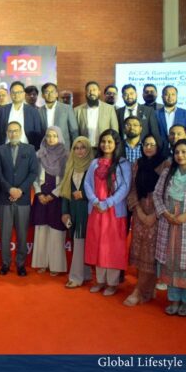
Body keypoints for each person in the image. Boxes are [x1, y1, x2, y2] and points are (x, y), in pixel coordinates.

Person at [153, 139, 186, 317]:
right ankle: (173, 299)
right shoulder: (168, 172)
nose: (180, 155)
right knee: (171, 261)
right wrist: (165, 213)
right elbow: (157, 195)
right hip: (169, 222)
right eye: (177, 152)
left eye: (184, 152)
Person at [84, 129, 131, 296]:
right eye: (103, 141)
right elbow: (87, 184)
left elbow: (125, 187)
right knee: (97, 245)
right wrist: (95, 201)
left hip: (113, 212)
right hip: (96, 210)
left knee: (112, 247)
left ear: (116, 144)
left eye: (110, 142)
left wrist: (108, 202)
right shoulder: (94, 162)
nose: (106, 145)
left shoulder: (123, 163)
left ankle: (112, 283)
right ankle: (100, 280)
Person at [123, 134, 165, 306]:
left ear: (158, 146)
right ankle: (147, 288)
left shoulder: (165, 165)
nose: (148, 147)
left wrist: (154, 214)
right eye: (146, 144)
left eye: (152, 144)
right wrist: (138, 211)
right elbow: (132, 188)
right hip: (140, 213)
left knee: (150, 252)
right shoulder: (137, 164)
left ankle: (139, 290)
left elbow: (167, 192)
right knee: (140, 250)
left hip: (158, 215)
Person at [0, 122, 38, 276]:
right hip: (5, 198)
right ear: (7, 133)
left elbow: (33, 173)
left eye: (16, 131)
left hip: (23, 198)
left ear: (21, 132)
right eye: (10, 131)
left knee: (22, 234)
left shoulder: (30, 149)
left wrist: (20, 190)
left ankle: (21, 265)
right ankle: (5, 264)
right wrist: (10, 189)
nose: (13, 134)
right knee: (5, 234)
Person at [31, 126, 68, 275]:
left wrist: (53, 195)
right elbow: (34, 175)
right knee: (41, 230)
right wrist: (39, 193)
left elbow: (66, 178)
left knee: (55, 232)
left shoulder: (66, 155)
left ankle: (56, 266)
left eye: (54, 136)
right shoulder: (39, 154)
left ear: (59, 137)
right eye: (48, 136)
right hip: (41, 196)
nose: (51, 139)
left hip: (56, 197)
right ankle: (42, 263)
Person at [61, 136, 94, 288]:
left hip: (88, 211)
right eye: (76, 148)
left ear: (88, 150)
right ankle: (85, 273)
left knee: (81, 242)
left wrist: (84, 195)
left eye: (83, 148)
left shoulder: (93, 167)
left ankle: (75, 277)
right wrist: (64, 212)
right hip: (73, 211)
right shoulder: (70, 166)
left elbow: (100, 191)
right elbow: (66, 192)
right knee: (78, 242)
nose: (79, 151)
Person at [0, 81, 43, 150]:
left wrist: (35, 151)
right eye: (13, 92)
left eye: (19, 92)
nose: (16, 94)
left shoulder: (33, 111)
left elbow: (38, 134)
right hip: (6, 150)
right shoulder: (2, 110)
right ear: (10, 94)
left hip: (27, 150)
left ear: (24, 94)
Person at [74, 81, 119, 150]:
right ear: (85, 93)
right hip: (85, 150)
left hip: (104, 150)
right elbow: (75, 133)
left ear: (99, 92)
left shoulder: (109, 109)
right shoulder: (77, 110)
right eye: (89, 90)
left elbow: (114, 131)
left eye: (94, 90)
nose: (91, 92)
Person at [156, 86, 186, 157]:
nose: (170, 97)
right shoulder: (155, 114)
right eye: (167, 94)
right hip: (160, 153)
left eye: (173, 94)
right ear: (162, 97)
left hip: (181, 154)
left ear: (177, 96)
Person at [37, 83, 79, 150]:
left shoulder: (67, 109)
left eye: (52, 92)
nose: (50, 94)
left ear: (56, 94)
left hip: (64, 149)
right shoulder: (38, 111)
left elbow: (74, 131)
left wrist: (75, 148)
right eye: (47, 92)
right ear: (42, 95)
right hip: (45, 150)